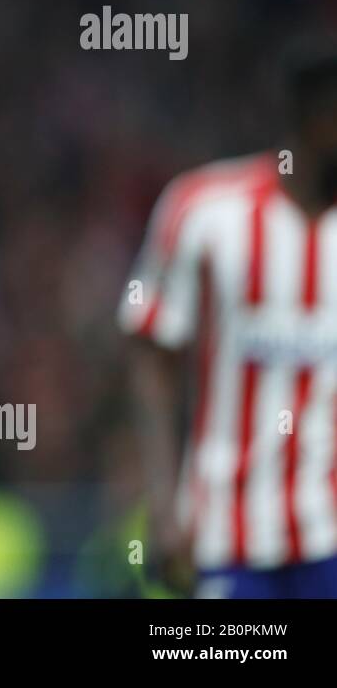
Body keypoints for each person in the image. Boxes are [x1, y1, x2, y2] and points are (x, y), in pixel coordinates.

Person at [120, 29, 337, 597]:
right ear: (314, 116)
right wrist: (164, 508)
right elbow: (151, 352)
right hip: (222, 529)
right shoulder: (205, 210)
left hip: (330, 531)